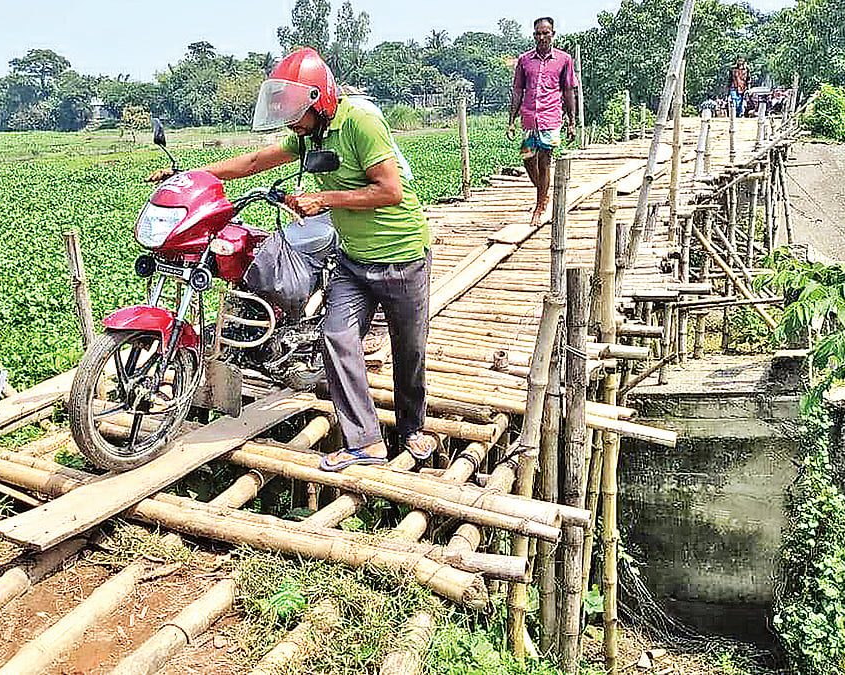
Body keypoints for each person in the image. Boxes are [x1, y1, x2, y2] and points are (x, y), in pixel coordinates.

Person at [148, 48, 437, 471]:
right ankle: (367, 442)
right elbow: (255, 160)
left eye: (296, 112)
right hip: (353, 259)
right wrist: (196, 176)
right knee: (337, 337)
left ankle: (412, 429)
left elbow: (390, 190)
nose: (290, 122)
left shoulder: (361, 123)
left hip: (403, 255)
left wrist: (325, 198)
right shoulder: (308, 134)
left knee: (408, 351)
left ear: (319, 102)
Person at [507, 17, 578, 226]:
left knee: (545, 160)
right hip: (529, 117)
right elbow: (518, 89)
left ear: (553, 34)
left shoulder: (564, 60)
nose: (541, 37)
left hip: (551, 117)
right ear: (533, 35)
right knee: (528, 158)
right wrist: (511, 119)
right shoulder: (524, 60)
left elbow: (568, 91)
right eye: (538, 33)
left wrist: (572, 122)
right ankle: (543, 193)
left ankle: (539, 206)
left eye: (545, 33)